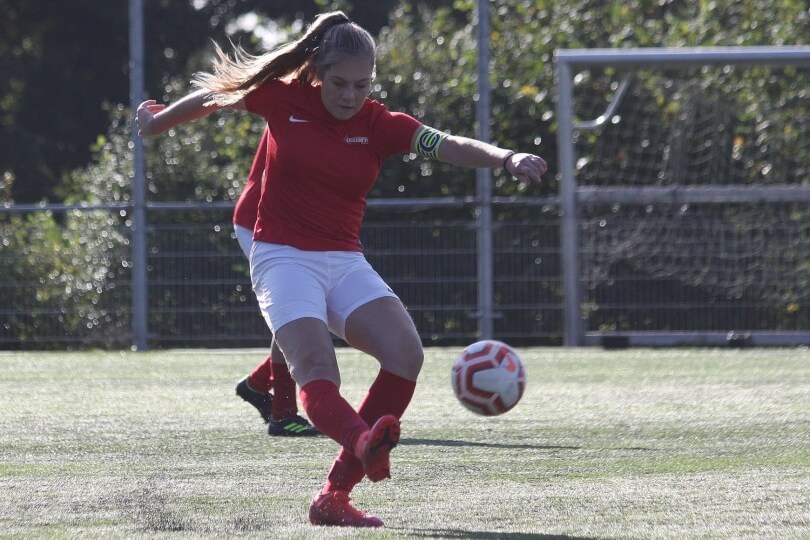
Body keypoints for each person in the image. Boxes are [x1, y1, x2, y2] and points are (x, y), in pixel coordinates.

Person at [136, 10, 546, 528]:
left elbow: (450, 146)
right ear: (316, 73)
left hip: (344, 259)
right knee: (317, 370)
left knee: (405, 354)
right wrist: (157, 121)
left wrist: (506, 157)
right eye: (339, 83)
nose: (350, 95)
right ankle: (360, 442)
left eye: (361, 85)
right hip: (282, 257)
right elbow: (216, 96)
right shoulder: (286, 97)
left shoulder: (381, 124)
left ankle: (333, 497)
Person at [232, 126, 319, 437]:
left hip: (286, 225)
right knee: (295, 313)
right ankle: (283, 414)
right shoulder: (299, 102)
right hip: (262, 223)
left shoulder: (324, 100)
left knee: (307, 313)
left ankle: (257, 385)